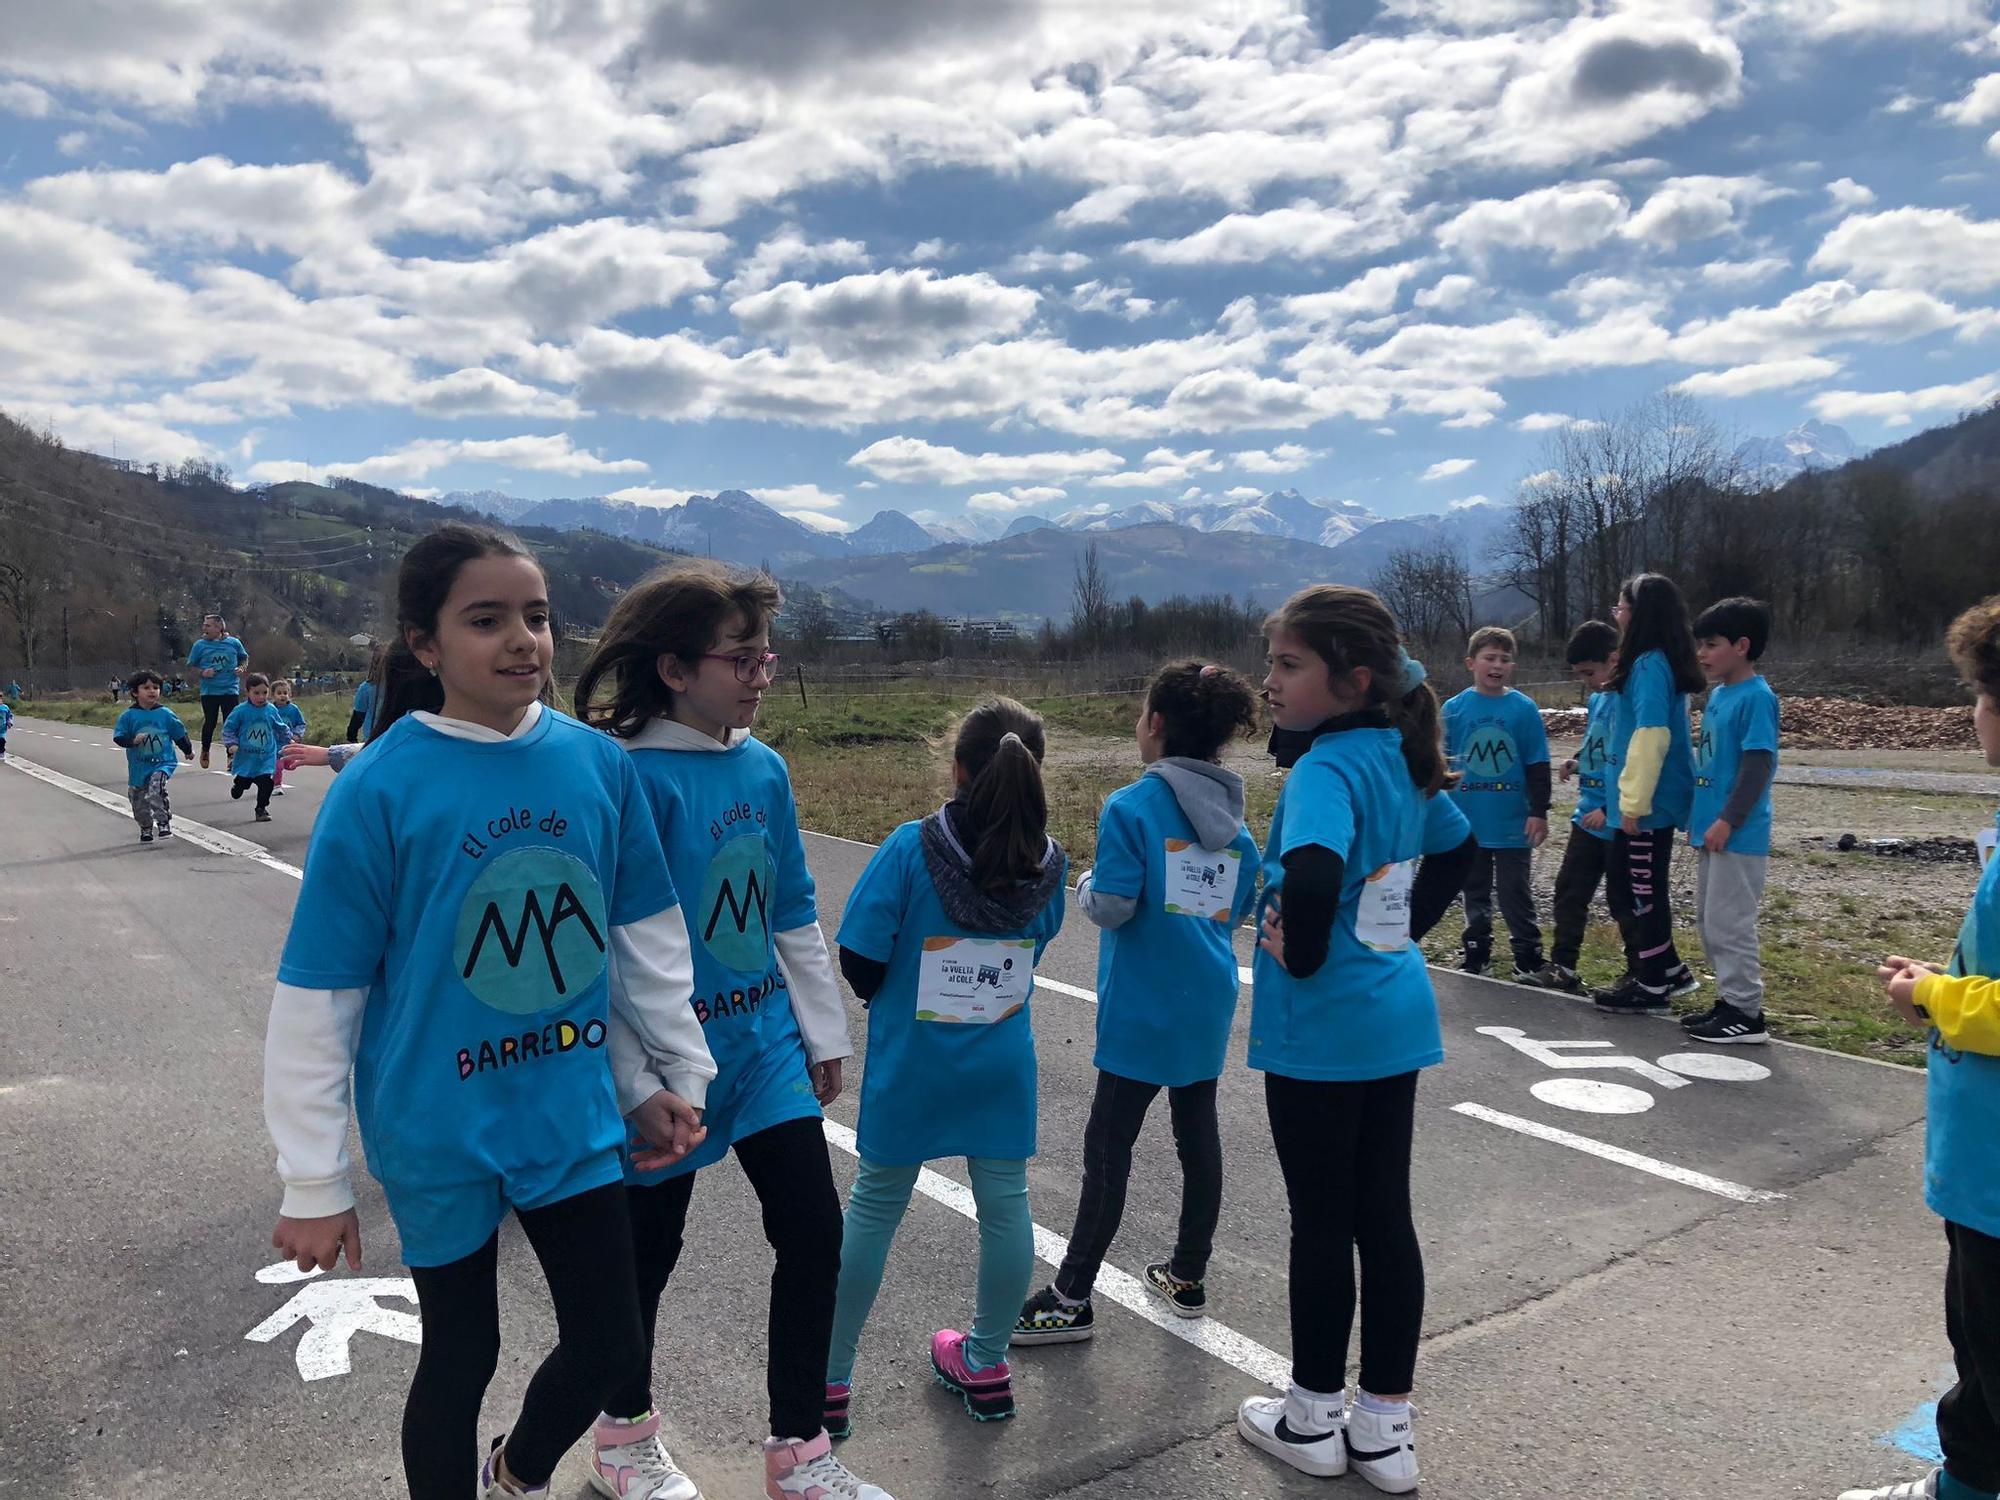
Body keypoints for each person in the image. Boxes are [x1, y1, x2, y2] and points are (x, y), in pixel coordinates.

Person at [263, 522, 718, 1500]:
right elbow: (318, 997)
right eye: (486, 620)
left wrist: (660, 1078)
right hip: (438, 1128)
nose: (522, 640)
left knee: (609, 1342)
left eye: (537, 617)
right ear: (425, 646)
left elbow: (641, 947)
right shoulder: (381, 786)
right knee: (459, 1360)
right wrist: (313, 1179)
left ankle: (514, 1472)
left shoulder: (599, 768)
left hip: (567, 1113)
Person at [574, 560, 890, 1500]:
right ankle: (623, 1437)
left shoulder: (764, 766)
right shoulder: (624, 775)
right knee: (649, 1252)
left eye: (766, 656)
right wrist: (637, 1078)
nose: (760, 674)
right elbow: (605, 950)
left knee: (812, 1231)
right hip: (668, 1066)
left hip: (762, 1052)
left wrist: (820, 1031)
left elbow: (791, 905)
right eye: (741, 658)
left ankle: (801, 1450)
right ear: (673, 668)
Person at [1236, 585, 1474, 1494]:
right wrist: (1403, 928)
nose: (1272, 682)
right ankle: (1385, 1430)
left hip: (1323, 1032)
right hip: (1395, 1016)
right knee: (1386, 1219)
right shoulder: (1397, 753)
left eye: (1289, 665)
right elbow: (1457, 847)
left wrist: (1300, 957)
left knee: (1321, 1225)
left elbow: (1314, 872)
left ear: (1352, 678)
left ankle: (1310, 1418)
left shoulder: (1325, 771)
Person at [829, 699, 1067, 1429]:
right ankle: (987, 1361)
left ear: (958, 768)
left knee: (874, 1208)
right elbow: (1036, 950)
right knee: (1006, 1205)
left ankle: (829, 1380)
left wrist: (892, 992)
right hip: (1000, 1061)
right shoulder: (1049, 863)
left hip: (915, 1062)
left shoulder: (911, 846)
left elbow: (860, 955)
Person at [1013, 662, 1260, 1348]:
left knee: (1108, 1146)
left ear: (1155, 724)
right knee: (1197, 1133)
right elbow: (1237, 906)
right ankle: (1186, 1273)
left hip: (1144, 1005)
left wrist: (1088, 882)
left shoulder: (1132, 807)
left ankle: (1070, 1296)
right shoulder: (1236, 828)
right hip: (1208, 997)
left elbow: (1115, 906)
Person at [1855, 595, 2000, 1500]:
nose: (1972, 714)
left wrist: (1935, 996)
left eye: (1980, 695)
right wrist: (1937, 989)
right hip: (1980, 1169)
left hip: (1996, 1176)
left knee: (1991, 1355)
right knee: (1979, 1352)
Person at [1594, 573, 1703, 1015]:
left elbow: (1652, 735)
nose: (1617, 616)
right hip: (1640, 800)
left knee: (1639, 890)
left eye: (1620, 608)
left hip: (1647, 804)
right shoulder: (1651, 662)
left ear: (1638, 615)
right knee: (1626, 885)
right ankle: (1668, 969)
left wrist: (1634, 804)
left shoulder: (1649, 665)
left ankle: (1653, 984)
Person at [1683, 598, 1780, 1045]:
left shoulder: (1757, 697)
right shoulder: (1720, 695)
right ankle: (1729, 1002)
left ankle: (1746, 1012)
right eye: (1699, 645)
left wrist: (1728, 819)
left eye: (1711, 644)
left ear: (1741, 646)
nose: (1702, 654)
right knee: (1708, 919)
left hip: (1739, 834)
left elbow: (1756, 767)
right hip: (1712, 830)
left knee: (1730, 922)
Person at [1531, 620, 1641, 995]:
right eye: (1579, 675)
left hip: (1617, 819)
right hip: (1586, 814)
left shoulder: (1631, 699)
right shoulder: (1597, 700)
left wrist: (1612, 810)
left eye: (1590, 673)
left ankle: (1638, 972)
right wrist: (1577, 760)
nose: (1588, 681)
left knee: (1622, 899)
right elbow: (1599, 745)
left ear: (1614, 660)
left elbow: (1632, 759)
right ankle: (1563, 965)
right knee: (1569, 891)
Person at [1441, 626, 1550, 981]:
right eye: (1490, 658)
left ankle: (1528, 956)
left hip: (1511, 823)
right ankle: (1477, 952)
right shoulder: (1454, 709)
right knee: (1474, 890)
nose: (1497, 665)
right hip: (1468, 822)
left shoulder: (1523, 709)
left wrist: (1538, 811)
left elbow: (1537, 763)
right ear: (1471, 662)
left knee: (1513, 891)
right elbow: (1441, 763)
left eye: (1504, 659)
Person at [112, 671, 192, 843]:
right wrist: (132, 741)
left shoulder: (165, 714)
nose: (152, 691)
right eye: (146, 688)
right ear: (135, 692)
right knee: (138, 802)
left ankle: (163, 823)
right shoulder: (128, 716)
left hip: (163, 762)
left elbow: (179, 733)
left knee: (156, 788)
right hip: (139, 767)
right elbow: (118, 737)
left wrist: (187, 750)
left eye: (155, 687)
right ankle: (146, 827)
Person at [221, 673, 289, 823]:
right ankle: (238, 786)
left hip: (266, 756)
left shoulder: (271, 710)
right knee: (243, 783)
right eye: (256, 693)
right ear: (248, 693)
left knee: (267, 783)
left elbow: (280, 727)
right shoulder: (240, 711)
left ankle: (261, 809)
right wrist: (231, 744)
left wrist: (289, 739)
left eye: (264, 693)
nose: (261, 697)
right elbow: (229, 729)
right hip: (247, 757)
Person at [187, 613, 249, 769]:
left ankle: (231, 756)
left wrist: (241, 668)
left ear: (218, 627)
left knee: (231, 723)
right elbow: (190, 667)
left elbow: (244, 658)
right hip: (209, 691)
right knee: (211, 722)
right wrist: (203, 672)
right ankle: (206, 750)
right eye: (204, 625)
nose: (204, 628)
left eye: (207, 625)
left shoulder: (234, 643)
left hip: (230, 689)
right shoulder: (199, 645)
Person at [270, 679, 307, 796]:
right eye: (279, 693)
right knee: (278, 765)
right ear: (272, 695)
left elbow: (301, 724)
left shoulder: (293, 709)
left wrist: (297, 734)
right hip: (274, 744)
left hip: (289, 743)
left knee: (290, 766)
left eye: (285, 693)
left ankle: (275, 775)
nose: (282, 696)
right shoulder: (270, 709)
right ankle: (277, 785)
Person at [349, 659, 379, 743]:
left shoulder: (367, 687)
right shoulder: (403, 687)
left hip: (372, 740)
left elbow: (358, 716)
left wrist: (352, 736)